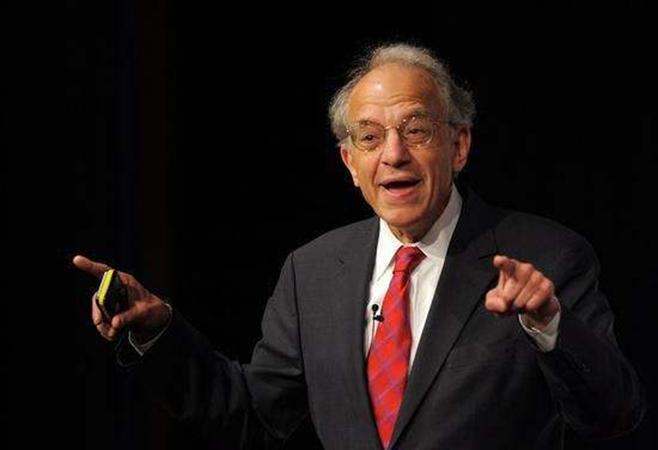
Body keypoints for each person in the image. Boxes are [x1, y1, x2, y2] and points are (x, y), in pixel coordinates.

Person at [73, 43, 644, 449]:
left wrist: (548, 324)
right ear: (350, 163)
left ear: (459, 146)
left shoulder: (546, 256)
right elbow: (252, 416)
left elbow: (614, 415)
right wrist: (160, 334)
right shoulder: (313, 272)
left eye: (416, 130)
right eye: (370, 137)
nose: (393, 154)